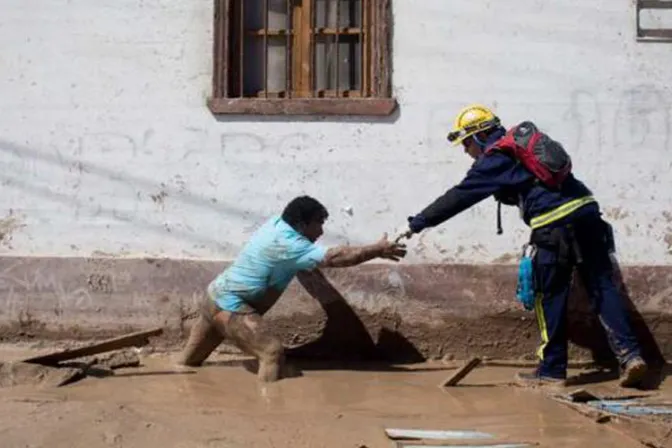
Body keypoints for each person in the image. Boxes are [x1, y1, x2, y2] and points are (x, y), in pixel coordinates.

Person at [404, 104, 648, 388]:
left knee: (550, 295)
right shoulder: (523, 147)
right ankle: (631, 356)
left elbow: (460, 196)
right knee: (602, 288)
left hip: (553, 225)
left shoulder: (495, 159)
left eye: (467, 143)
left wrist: (416, 223)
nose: (466, 150)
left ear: (480, 136)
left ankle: (551, 371)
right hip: (588, 214)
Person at [177, 195, 407, 382]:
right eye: (319, 223)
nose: (321, 231)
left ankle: (182, 388)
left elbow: (302, 261)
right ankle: (270, 410)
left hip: (213, 298)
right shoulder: (291, 245)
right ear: (301, 225)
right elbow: (337, 258)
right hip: (231, 307)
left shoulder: (276, 224)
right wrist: (376, 250)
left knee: (187, 364)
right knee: (271, 352)